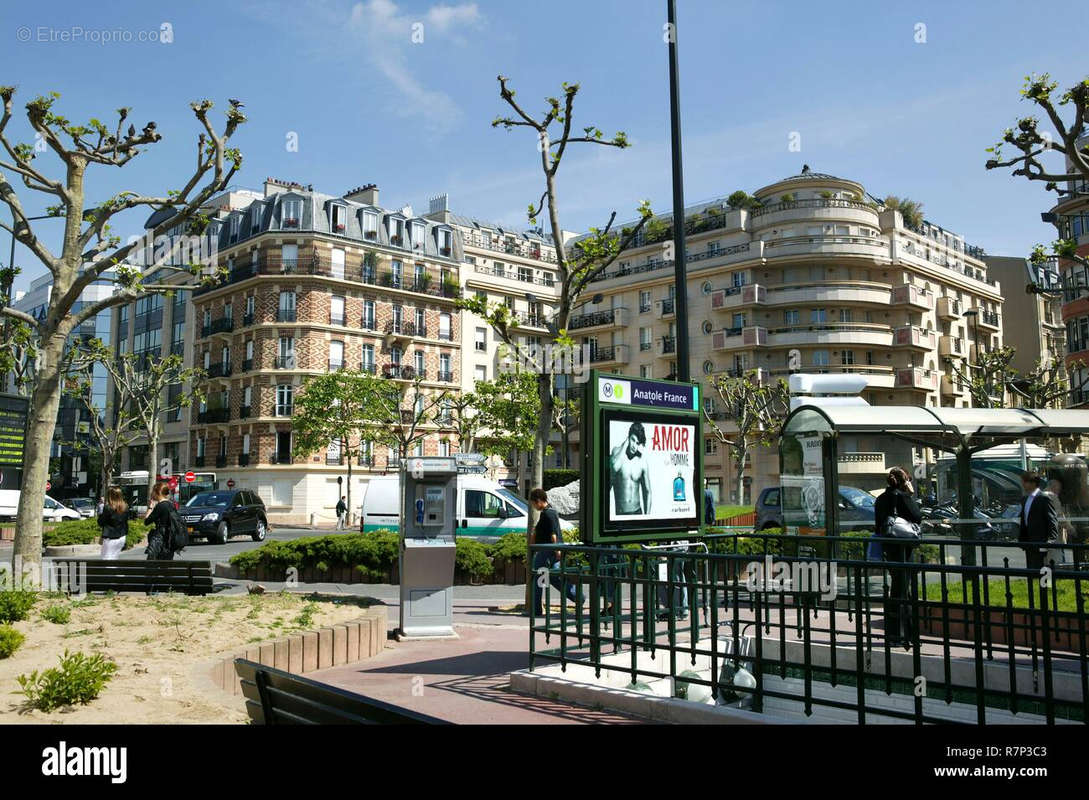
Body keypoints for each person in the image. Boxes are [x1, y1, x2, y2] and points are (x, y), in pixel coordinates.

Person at [873, 466, 923, 649]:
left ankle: (896, 633)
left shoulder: (880, 499)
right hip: (904, 550)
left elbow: (878, 525)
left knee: (897, 589)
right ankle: (903, 635)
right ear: (905, 481)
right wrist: (910, 495)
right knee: (902, 592)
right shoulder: (902, 497)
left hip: (889, 549)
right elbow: (917, 516)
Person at [529, 487, 581, 615]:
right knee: (554, 578)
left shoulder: (548, 513)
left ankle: (536, 610)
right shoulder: (548, 512)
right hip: (550, 550)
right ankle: (579, 597)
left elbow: (553, 534)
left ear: (539, 501)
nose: (534, 506)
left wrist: (557, 551)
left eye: (534, 503)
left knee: (537, 577)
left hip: (547, 551)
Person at [1020, 471, 1058, 573]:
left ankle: (1046, 587)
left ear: (1033, 483)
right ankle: (1034, 587)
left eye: (1025, 482)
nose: (1022, 484)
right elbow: (1024, 519)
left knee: (1043, 569)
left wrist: (1050, 540)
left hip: (1041, 540)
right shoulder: (1025, 499)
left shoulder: (1043, 498)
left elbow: (1052, 519)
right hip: (1028, 541)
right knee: (1032, 570)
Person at [609, 422, 651, 515]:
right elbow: (615, 467)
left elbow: (647, 491)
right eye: (633, 440)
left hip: (637, 512)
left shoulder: (642, 460)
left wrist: (647, 518)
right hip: (621, 514)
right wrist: (625, 445)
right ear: (628, 438)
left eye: (637, 443)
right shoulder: (617, 452)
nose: (634, 446)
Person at [144, 481, 176, 561]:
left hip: (159, 540)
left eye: (153, 492)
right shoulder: (171, 505)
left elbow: (146, 521)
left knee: (151, 566)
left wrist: (150, 507)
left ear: (157, 492)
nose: (152, 494)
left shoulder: (160, 506)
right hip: (170, 540)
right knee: (166, 566)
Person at [96, 486, 129, 560]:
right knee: (114, 558)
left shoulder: (108, 508)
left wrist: (101, 514)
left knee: (106, 559)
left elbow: (100, 522)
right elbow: (126, 522)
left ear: (110, 496)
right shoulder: (125, 507)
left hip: (110, 537)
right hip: (121, 536)